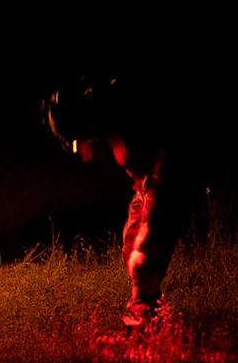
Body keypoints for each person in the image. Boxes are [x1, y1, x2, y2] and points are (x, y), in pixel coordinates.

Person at [44, 72, 203, 330]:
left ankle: (144, 326)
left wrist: (157, 192)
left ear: (83, 124)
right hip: (147, 183)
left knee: (144, 251)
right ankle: (151, 312)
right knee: (131, 242)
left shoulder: (123, 112)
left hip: (165, 176)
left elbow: (169, 152)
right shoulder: (110, 126)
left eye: (75, 144)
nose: (80, 153)